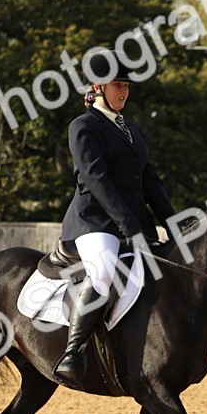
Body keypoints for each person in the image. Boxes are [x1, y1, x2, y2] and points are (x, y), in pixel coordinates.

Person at [53, 53, 177, 387]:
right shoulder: (83, 126)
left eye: (126, 86)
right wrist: (128, 224)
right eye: (118, 85)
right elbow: (97, 180)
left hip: (132, 224)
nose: (124, 92)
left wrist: (173, 223)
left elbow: (150, 181)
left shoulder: (133, 130)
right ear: (98, 87)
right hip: (94, 223)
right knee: (105, 269)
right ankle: (73, 351)